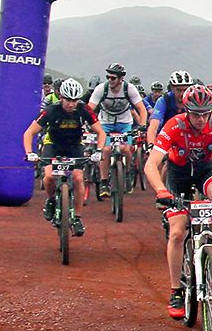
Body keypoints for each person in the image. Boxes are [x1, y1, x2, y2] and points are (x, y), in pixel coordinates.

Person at [144, 84, 212, 318]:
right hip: (178, 174)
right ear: (186, 110)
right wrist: (162, 191)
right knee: (177, 232)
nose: (202, 119)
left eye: (206, 113)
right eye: (196, 114)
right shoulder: (174, 125)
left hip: (204, 169)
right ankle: (175, 291)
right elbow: (151, 164)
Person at [23, 78, 106, 238]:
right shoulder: (51, 111)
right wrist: (29, 153)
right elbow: (29, 133)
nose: (71, 104)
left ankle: (77, 218)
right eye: (68, 100)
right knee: (49, 177)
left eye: (74, 100)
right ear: (61, 97)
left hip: (75, 146)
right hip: (53, 145)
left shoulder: (84, 110)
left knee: (77, 178)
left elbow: (101, 132)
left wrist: (99, 151)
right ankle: (51, 200)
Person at [88, 64, 146, 195]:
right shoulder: (101, 89)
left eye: (113, 78)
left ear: (121, 79)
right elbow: (89, 109)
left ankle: (126, 174)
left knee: (126, 149)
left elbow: (141, 108)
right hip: (105, 123)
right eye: (108, 77)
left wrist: (142, 125)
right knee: (106, 150)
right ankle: (103, 182)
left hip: (124, 123)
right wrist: (89, 124)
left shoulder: (129, 89)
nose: (109, 80)